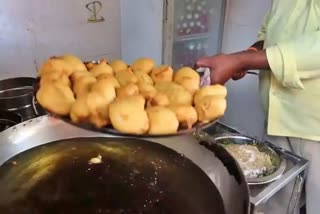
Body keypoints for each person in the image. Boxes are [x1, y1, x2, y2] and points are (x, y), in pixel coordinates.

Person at [196, 0, 320, 213]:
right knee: (275, 203)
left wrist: (244, 60)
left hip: (314, 127)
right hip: (277, 118)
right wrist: (249, 53)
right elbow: (269, 34)